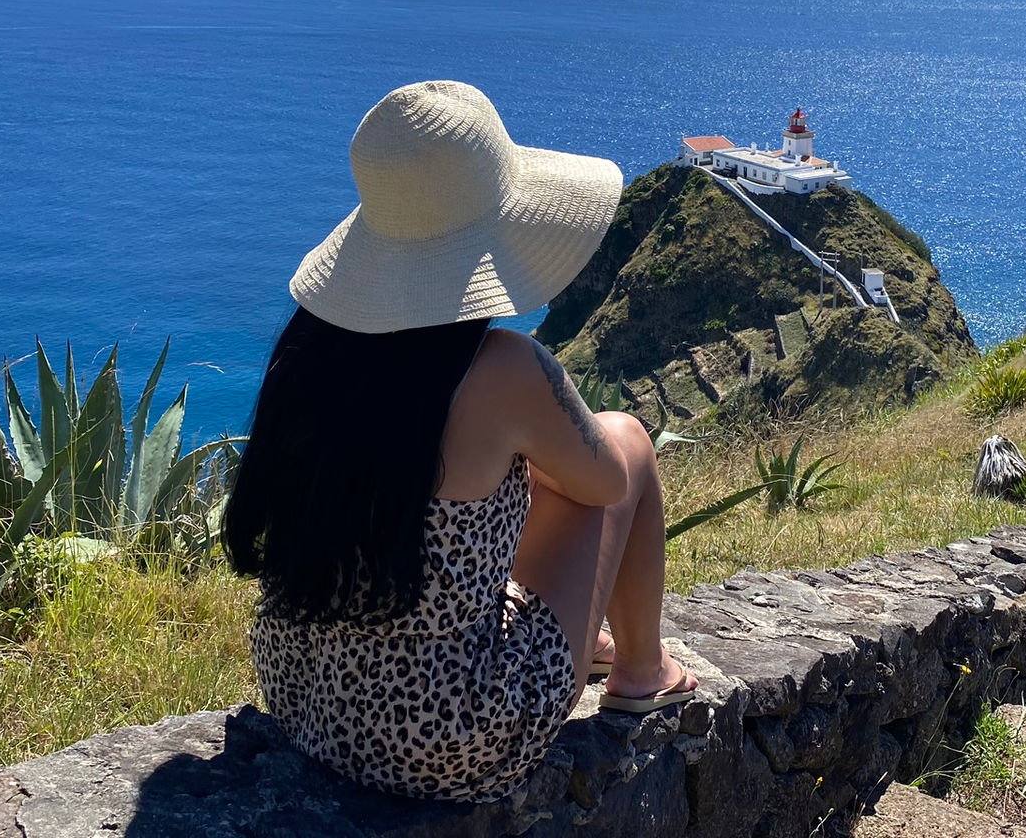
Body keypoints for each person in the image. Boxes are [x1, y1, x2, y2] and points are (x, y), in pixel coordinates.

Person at [223, 80, 696, 803]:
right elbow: (605, 487)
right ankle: (641, 671)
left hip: (306, 697)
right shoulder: (500, 369)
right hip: (445, 739)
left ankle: (592, 646)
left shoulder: (310, 356)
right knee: (625, 439)